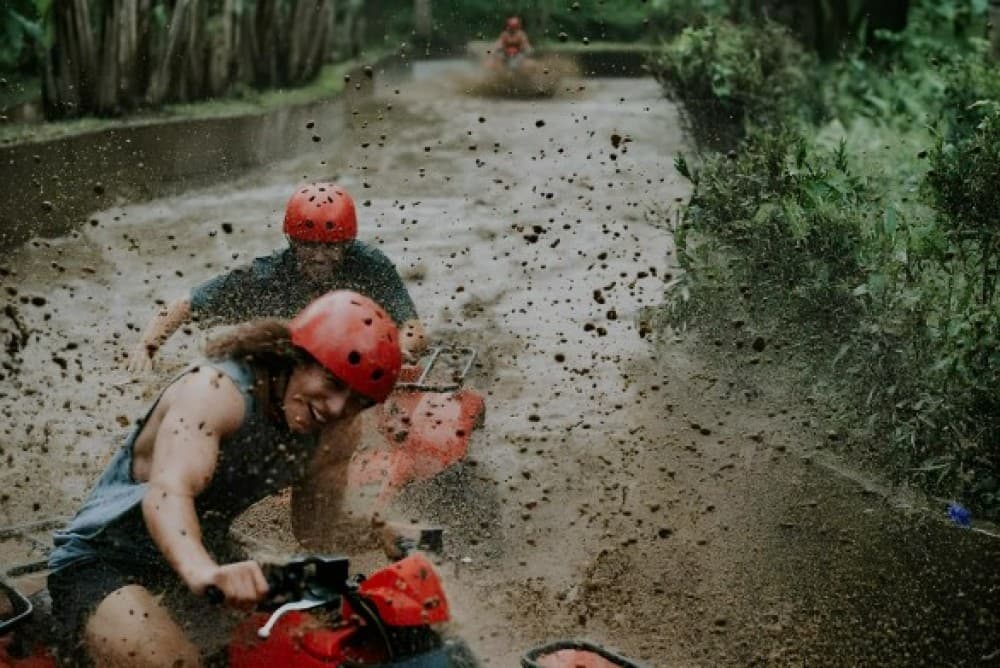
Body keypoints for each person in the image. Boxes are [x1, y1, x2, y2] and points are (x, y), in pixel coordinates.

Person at [49, 290, 402, 667]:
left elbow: (315, 530)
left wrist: (378, 532)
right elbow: (169, 491)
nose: (336, 408)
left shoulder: (337, 431)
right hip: (106, 560)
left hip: (211, 561)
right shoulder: (215, 390)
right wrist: (202, 571)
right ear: (295, 357)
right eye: (332, 382)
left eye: (357, 401)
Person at [127, 183, 426, 373]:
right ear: (292, 242)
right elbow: (187, 303)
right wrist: (148, 346)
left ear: (347, 243)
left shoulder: (370, 265)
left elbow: (410, 325)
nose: (320, 257)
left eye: (331, 246)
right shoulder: (267, 275)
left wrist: (401, 353)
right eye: (308, 246)